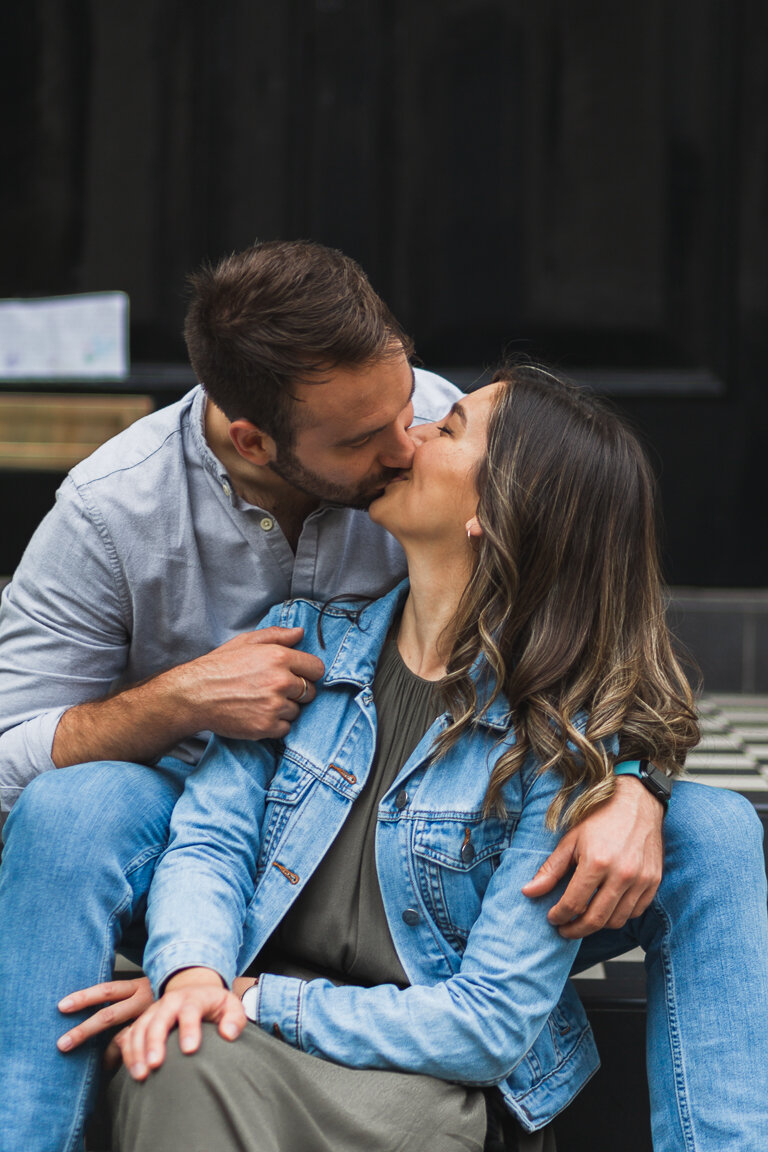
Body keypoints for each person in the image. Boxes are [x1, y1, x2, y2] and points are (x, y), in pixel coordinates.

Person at [0, 245, 674, 1151]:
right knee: (83, 832)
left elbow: (607, 610)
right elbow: (189, 826)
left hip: (425, 988)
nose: (407, 443)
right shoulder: (128, 521)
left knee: (715, 836)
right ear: (254, 440)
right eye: (367, 441)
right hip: (238, 887)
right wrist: (194, 963)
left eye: (428, 421)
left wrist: (632, 777)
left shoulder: (432, 426)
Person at [104, 368, 768, 1152]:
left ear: (494, 510)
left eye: (444, 429)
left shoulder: (556, 739)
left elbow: (485, 1024)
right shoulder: (301, 645)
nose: (407, 438)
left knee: (185, 1057)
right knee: (176, 1053)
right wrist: (192, 977)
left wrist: (257, 1001)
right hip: (244, 1026)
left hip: (416, 1070)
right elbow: (210, 841)